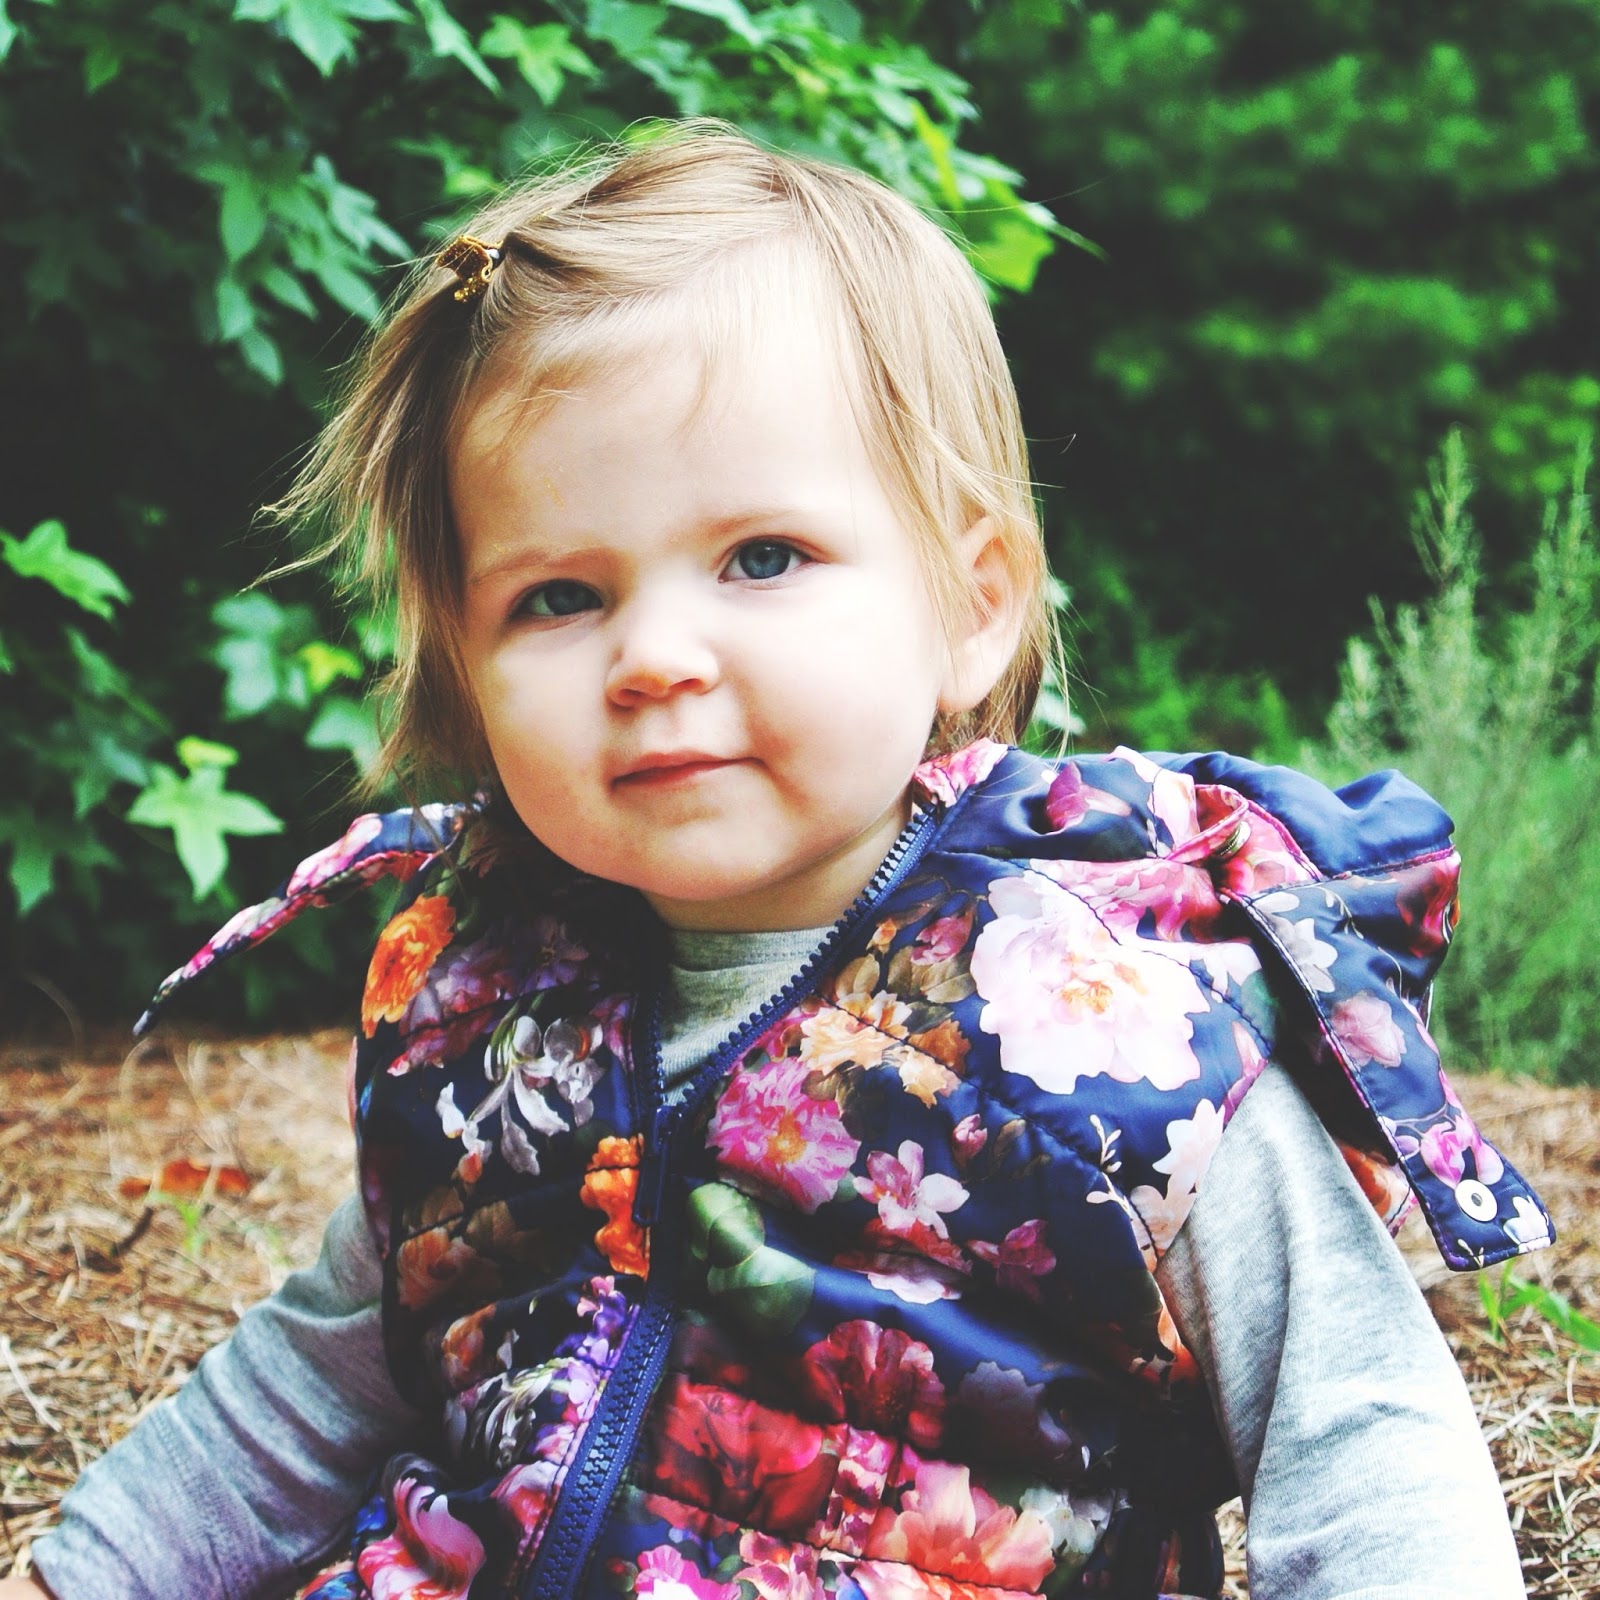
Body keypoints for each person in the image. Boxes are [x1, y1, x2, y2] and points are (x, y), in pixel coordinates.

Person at [16, 122, 1550, 1600]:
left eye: (761, 558)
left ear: (972, 606)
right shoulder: (475, 1017)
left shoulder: (1126, 1031)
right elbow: (306, 1391)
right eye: (558, 596)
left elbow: (1359, 1437)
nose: (653, 656)